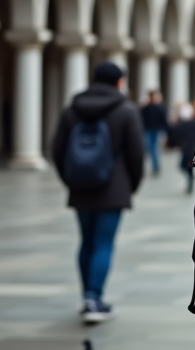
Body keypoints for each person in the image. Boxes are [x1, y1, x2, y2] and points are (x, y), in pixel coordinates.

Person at [50, 62, 144, 323]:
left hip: (80, 187)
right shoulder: (126, 110)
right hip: (113, 189)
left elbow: (57, 149)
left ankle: (86, 297)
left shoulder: (72, 110)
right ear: (119, 82)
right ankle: (95, 299)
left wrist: (70, 179)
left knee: (86, 242)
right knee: (104, 243)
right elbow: (136, 154)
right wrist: (131, 185)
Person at [168, 99, 195, 195]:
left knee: (185, 165)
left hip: (189, 147)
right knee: (188, 165)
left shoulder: (190, 122)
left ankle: (191, 178)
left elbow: (176, 131)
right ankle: (191, 177)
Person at [139, 90, 168, 176]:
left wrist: (165, 129)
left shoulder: (159, 108)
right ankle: (152, 166)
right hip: (148, 129)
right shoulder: (145, 108)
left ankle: (156, 166)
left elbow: (163, 119)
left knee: (154, 148)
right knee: (148, 147)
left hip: (156, 129)